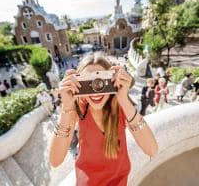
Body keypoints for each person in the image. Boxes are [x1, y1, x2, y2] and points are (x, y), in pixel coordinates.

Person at [49, 53, 158, 186]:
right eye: (89, 82)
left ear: (112, 79)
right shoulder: (79, 107)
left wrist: (123, 99)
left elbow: (151, 150)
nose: (96, 89)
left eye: (100, 80)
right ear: (79, 82)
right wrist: (66, 108)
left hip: (119, 181)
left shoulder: (120, 104)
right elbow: (55, 160)